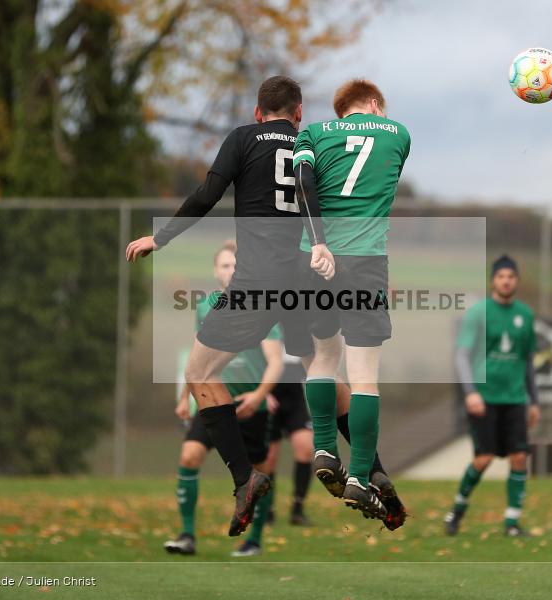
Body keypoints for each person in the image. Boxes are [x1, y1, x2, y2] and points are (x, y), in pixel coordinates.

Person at [127, 76, 313, 536]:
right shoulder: (313, 142)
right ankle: (371, 470)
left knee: (199, 373)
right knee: (326, 367)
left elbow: (207, 196)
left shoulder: (243, 139)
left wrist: (160, 237)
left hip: (255, 284)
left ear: (257, 113)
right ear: (299, 113)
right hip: (306, 277)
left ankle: (244, 479)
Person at [292, 79, 411, 523]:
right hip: (366, 263)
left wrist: (319, 242)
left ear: (341, 111)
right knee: (363, 378)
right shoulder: (398, 134)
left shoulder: (315, 134)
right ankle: (359, 475)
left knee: (324, 358)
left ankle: (324, 448)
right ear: (376, 105)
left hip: (317, 259)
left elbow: (305, 182)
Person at [164, 240, 283, 557]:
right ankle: (187, 535)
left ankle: (253, 540)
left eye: (236, 265)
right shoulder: (205, 306)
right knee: (189, 456)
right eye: (225, 265)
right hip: (213, 403)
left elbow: (275, 361)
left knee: (260, 470)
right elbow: (196, 359)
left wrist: (260, 395)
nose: (231, 270)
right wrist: (183, 398)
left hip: (248, 404)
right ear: (216, 271)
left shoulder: (260, 303)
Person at [445, 255, 541, 537]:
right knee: (483, 459)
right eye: (501, 276)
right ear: (493, 281)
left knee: (520, 457)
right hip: (484, 399)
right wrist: (470, 392)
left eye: (511, 276)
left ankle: (512, 523)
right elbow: (461, 355)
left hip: (514, 399)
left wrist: (534, 401)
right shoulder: (478, 313)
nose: (506, 281)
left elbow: (527, 361)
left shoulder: (526, 314)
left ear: (517, 281)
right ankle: (457, 509)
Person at [262, 356, 315, 526]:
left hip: (295, 401)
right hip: (269, 397)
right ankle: (267, 510)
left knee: (306, 449)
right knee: (268, 459)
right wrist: (262, 392)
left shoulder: (299, 332)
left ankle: (298, 510)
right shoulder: (265, 333)